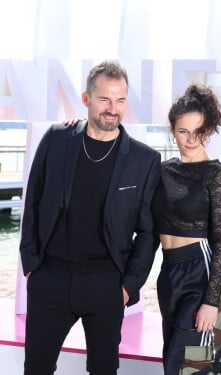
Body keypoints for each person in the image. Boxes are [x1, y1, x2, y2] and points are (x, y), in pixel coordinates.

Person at [19, 61, 161, 374]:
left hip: (106, 284)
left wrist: (127, 287)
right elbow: (33, 202)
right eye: (105, 99)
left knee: (103, 369)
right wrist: (31, 267)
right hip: (50, 279)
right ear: (86, 99)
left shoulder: (144, 159)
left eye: (120, 100)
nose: (113, 109)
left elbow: (148, 232)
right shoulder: (57, 139)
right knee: (36, 368)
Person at [152, 84, 221, 374]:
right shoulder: (162, 170)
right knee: (172, 363)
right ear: (173, 129)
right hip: (169, 275)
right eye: (183, 130)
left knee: (196, 367)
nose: (190, 139)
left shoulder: (218, 175)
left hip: (204, 277)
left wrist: (212, 302)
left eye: (198, 131)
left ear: (208, 130)